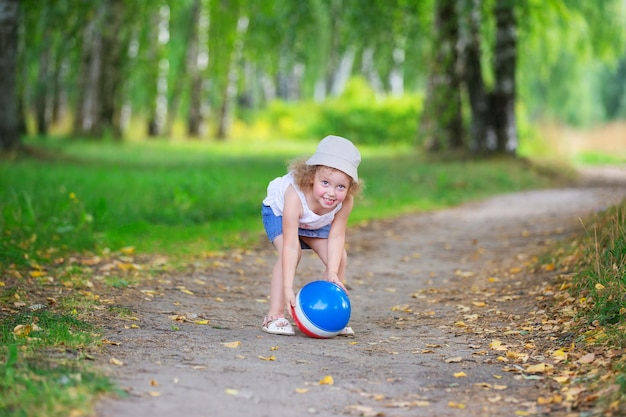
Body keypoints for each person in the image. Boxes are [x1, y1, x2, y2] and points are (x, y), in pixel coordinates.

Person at [261, 135, 362, 336]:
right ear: (311, 177)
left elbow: (336, 237)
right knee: (292, 253)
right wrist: (289, 288)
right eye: (325, 183)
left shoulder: (345, 202)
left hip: (315, 222)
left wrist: (332, 271)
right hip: (279, 214)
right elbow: (290, 245)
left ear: (350, 187)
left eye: (340, 186)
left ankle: (326, 312)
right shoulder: (294, 196)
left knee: (339, 257)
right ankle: (274, 315)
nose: (332, 193)